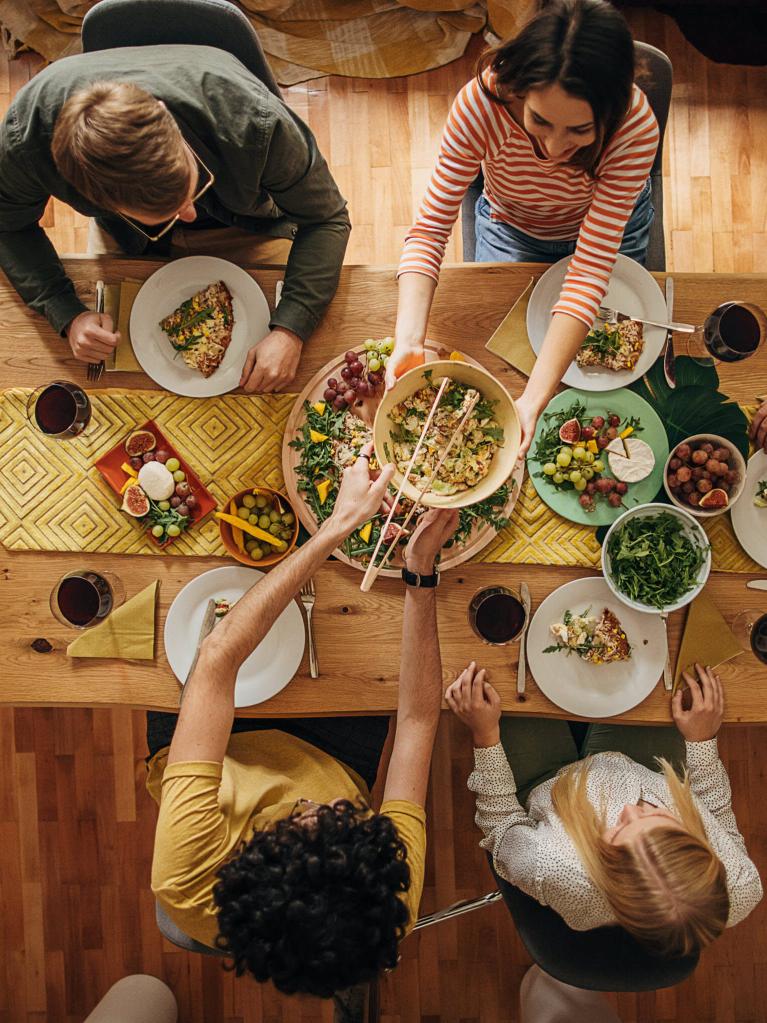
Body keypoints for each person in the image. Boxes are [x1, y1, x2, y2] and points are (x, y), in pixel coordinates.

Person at [147, 443, 458, 998]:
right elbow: (414, 721)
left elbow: (217, 658)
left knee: (180, 593)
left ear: (250, 857)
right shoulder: (383, 889)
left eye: (299, 820)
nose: (312, 802)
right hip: (336, 753)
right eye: (341, 816)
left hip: (208, 763)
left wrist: (333, 529)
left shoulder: (187, 873)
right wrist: (420, 572)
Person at [387, 0, 659, 451]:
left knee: (609, 367)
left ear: (609, 114)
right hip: (511, 226)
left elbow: (589, 269)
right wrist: (408, 339)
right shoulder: (480, 104)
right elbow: (430, 229)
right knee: (501, 351)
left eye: (579, 131)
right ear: (518, 89)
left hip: (611, 231)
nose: (553, 148)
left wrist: (533, 401)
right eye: (541, 120)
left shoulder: (635, 128)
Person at [0, 46, 350, 392]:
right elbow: (8, 225)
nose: (189, 214)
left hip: (245, 222)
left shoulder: (255, 122)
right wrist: (68, 313)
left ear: (162, 113)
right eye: (171, 211)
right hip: (128, 235)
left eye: (189, 189)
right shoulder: (23, 141)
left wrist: (291, 328)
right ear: (92, 196)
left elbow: (328, 218)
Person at [446, 661, 762, 957]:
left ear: (605, 872)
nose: (629, 810)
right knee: (671, 663)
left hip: (545, 782)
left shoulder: (553, 867)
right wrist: (702, 740)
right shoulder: (740, 883)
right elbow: (717, 813)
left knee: (496, 670)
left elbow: (501, 823)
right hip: (639, 764)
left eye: (621, 828)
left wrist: (484, 734)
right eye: (660, 816)